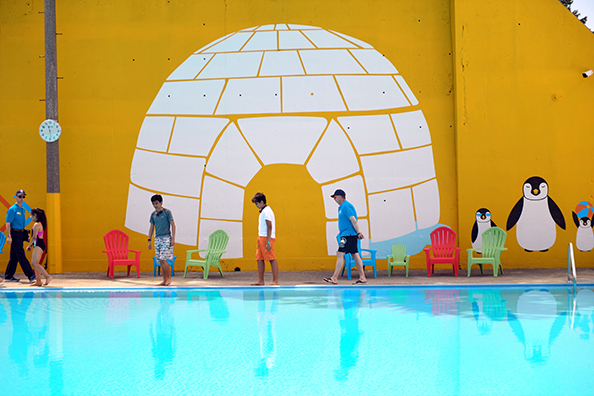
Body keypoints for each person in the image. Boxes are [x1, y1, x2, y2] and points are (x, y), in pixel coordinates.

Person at [323, 189, 368, 285]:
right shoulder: (341, 207)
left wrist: (358, 232)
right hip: (347, 234)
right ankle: (362, 277)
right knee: (355, 254)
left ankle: (334, 278)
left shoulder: (346, 206)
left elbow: (353, 220)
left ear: (340, 197)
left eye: (335, 197)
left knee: (340, 254)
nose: (334, 200)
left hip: (348, 235)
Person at [4, 189, 36, 283]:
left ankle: (8, 276)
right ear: (16, 197)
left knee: (14, 256)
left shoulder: (22, 209)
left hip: (21, 234)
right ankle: (30, 275)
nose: (22, 198)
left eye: (23, 197)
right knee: (21, 255)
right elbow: (8, 223)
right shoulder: (12, 209)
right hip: (15, 233)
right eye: (20, 196)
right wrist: (9, 236)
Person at [251, 192, 279, 286]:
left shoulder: (267, 211)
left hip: (266, 237)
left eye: (257, 203)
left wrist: (268, 241)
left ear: (262, 202)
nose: (256, 205)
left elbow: (269, 226)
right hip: (261, 237)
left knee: (271, 258)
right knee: (259, 258)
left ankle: (275, 280)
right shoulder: (263, 211)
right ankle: (260, 280)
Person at [148, 194, 176, 286]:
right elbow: (151, 228)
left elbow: (173, 225)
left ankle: (169, 278)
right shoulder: (153, 214)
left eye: (156, 203)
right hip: (157, 238)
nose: (155, 205)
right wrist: (149, 240)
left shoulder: (167, 212)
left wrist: (173, 238)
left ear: (161, 202)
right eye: (153, 204)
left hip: (166, 237)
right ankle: (164, 280)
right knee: (160, 259)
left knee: (164, 258)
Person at [26, 208, 53, 286]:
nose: (30, 217)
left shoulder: (36, 224)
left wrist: (29, 245)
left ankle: (47, 276)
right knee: (36, 263)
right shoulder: (40, 224)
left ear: (35, 215)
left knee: (34, 263)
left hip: (38, 244)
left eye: (31, 215)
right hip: (39, 244)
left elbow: (34, 237)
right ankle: (38, 281)